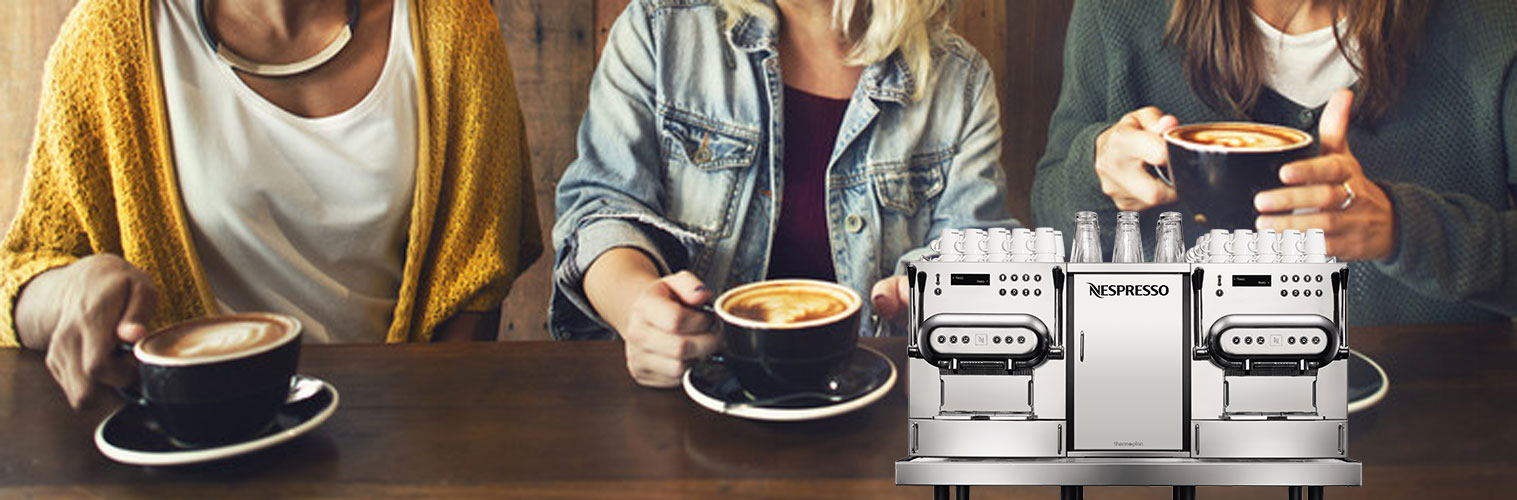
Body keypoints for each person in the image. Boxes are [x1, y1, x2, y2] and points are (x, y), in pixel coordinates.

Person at [0, 0, 541, 409]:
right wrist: (70, 289)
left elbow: (476, 282)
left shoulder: (453, 24)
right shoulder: (111, 36)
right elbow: (23, 274)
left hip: (397, 423)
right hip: (188, 435)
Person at [552, 0, 1018, 387]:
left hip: (875, 419)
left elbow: (975, 252)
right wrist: (638, 306)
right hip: (681, 409)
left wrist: (942, 296)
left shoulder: (959, 79)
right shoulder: (660, 29)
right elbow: (601, 208)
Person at [1032, 0, 1516, 325]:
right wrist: (1095, 174)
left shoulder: (1493, 23)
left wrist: (1403, 229)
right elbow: (1052, 220)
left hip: (1440, 426)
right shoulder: (1116, 16)